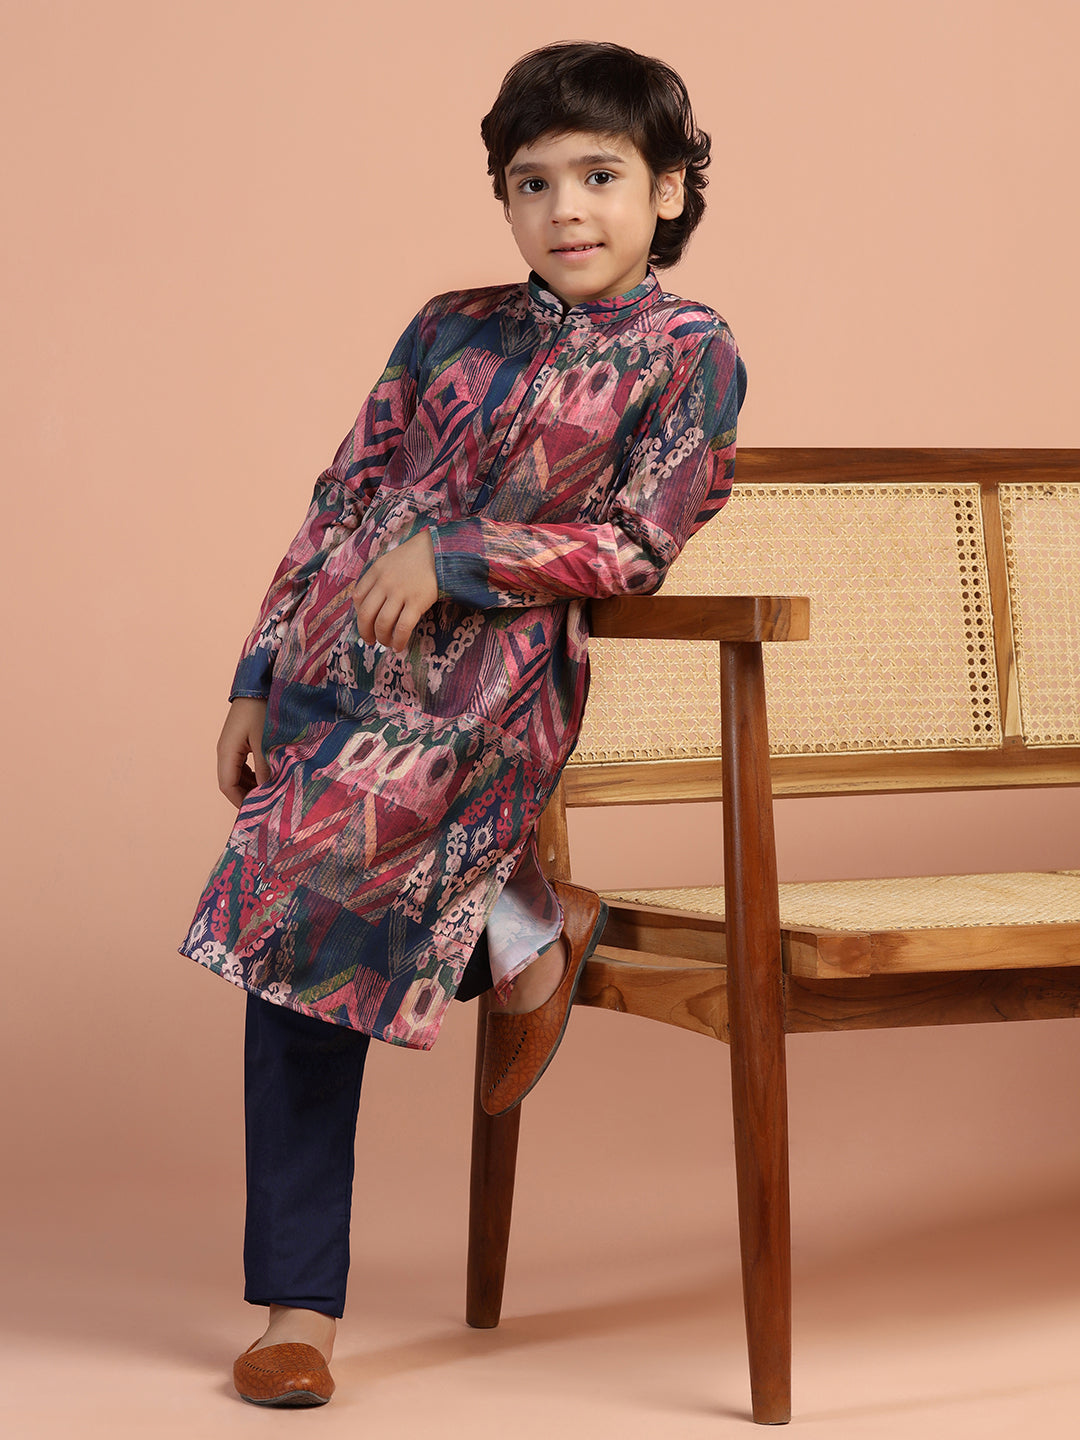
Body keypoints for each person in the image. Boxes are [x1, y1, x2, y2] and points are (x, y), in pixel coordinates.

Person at [178, 39, 748, 1407]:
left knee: (319, 897)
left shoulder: (690, 352)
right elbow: (342, 500)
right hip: (334, 677)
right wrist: (255, 674)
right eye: (532, 183)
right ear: (503, 200)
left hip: (488, 691)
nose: (566, 210)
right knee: (292, 951)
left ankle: (518, 923)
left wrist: (460, 558)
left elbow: (638, 543)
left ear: (668, 190)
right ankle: (298, 1311)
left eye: (600, 177)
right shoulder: (447, 325)